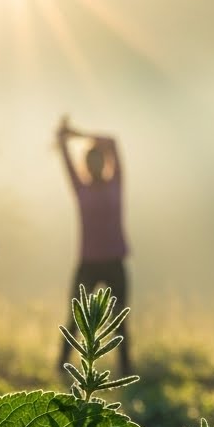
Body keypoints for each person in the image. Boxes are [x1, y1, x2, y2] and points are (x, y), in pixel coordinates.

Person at [55, 116, 131, 376]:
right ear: (85, 164)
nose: (95, 165)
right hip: (87, 262)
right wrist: (64, 138)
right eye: (90, 161)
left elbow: (112, 141)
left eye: (99, 160)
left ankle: (125, 368)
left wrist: (78, 133)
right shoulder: (80, 188)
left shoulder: (116, 183)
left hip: (114, 262)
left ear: (105, 162)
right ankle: (62, 366)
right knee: (76, 316)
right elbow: (63, 153)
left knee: (119, 319)